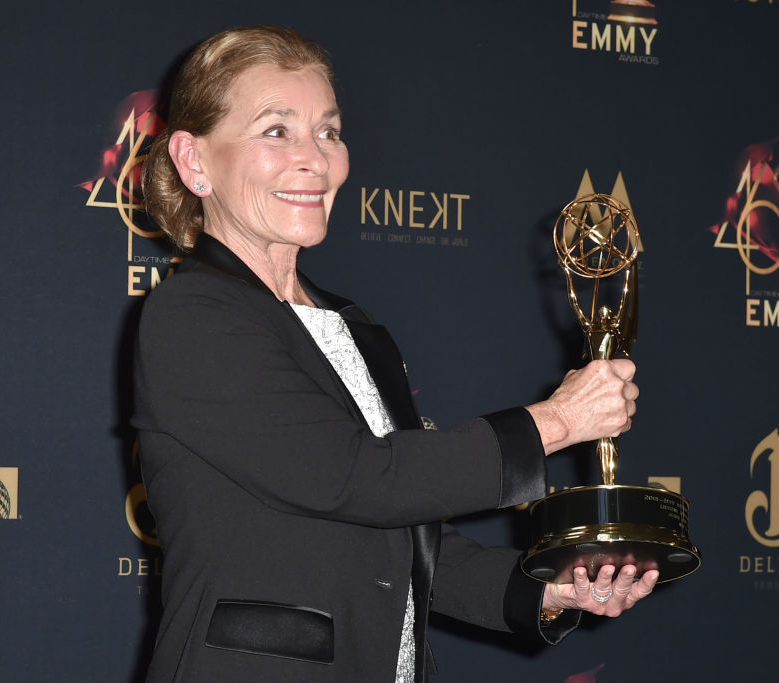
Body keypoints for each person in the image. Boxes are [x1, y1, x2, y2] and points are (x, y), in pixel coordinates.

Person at [133, 25, 656, 683]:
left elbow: (405, 539)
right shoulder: (192, 317)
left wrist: (548, 587)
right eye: (277, 131)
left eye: (329, 131)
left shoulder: (353, 327)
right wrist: (558, 421)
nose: (316, 160)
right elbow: (357, 477)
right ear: (194, 161)